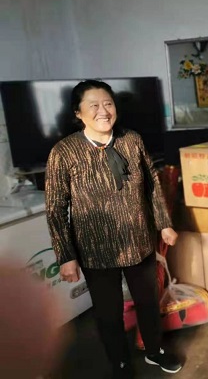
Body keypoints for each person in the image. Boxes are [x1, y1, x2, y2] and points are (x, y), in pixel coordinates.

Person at [45, 80, 182, 378]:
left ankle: (154, 351)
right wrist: (65, 256)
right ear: (78, 113)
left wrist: (164, 224)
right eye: (93, 105)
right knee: (108, 312)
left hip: (138, 241)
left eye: (108, 103)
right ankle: (119, 362)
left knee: (147, 302)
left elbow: (151, 184)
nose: (103, 111)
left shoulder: (131, 140)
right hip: (95, 248)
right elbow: (55, 208)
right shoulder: (63, 152)